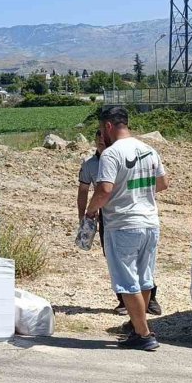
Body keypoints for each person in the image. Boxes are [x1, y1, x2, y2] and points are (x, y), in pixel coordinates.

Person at [86, 107, 169, 351]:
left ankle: (143, 335)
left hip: (123, 224)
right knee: (144, 279)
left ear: (108, 126)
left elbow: (104, 190)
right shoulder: (149, 150)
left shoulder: (111, 154)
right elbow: (163, 183)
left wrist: (90, 211)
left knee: (127, 281)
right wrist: (138, 192)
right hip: (150, 223)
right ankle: (136, 326)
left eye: (101, 129)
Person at [78, 130, 162, 316]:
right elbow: (83, 191)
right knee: (119, 261)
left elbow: (106, 190)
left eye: (103, 137)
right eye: (97, 138)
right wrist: (83, 217)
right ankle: (126, 304)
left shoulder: (118, 156)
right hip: (110, 217)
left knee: (138, 266)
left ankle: (147, 306)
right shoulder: (90, 165)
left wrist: (135, 195)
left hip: (127, 217)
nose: (101, 141)